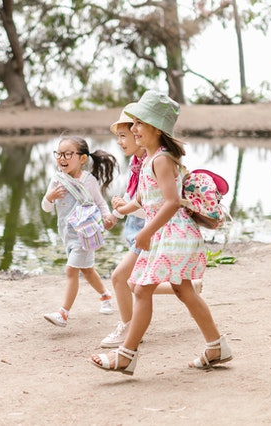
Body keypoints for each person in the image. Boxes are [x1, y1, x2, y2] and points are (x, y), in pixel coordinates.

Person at [90, 90, 232, 375]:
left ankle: (126, 355)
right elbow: (145, 199)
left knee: (142, 289)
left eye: (139, 124)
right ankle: (216, 345)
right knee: (183, 290)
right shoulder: (151, 159)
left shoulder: (161, 160)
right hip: (166, 233)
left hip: (173, 233)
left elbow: (171, 202)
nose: (134, 130)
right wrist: (122, 210)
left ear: (156, 127)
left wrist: (145, 233)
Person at [100, 104, 186, 348]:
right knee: (136, 284)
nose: (121, 141)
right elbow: (139, 199)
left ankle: (128, 331)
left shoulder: (155, 162)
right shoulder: (138, 165)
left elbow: (156, 204)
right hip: (143, 231)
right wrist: (118, 210)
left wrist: (126, 212)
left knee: (120, 278)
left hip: (152, 232)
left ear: (145, 134)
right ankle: (187, 288)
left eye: (125, 135)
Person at [41, 135, 119, 327]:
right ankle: (105, 295)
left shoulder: (88, 181)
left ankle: (63, 313)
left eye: (68, 154)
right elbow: (46, 208)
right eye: (58, 154)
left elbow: (100, 203)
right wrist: (49, 197)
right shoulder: (56, 180)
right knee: (87, 270)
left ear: (82, 158)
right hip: (66, 234)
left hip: (85, 233)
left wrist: (108, 217)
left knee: (71, 270)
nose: (62, 158)